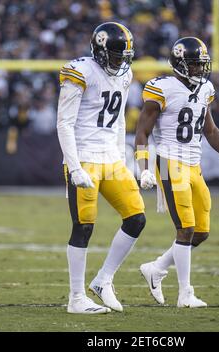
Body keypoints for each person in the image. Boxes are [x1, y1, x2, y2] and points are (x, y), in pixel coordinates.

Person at [135, 37, 219, 308]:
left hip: (193, 165)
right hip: (168, 162)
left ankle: (156, 268)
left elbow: (209, 129)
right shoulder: (161, 88)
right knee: (185, 228)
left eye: (202, 64)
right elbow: (142, 132)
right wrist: (143, 168)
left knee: (201, 231)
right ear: (179, 65)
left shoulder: (206, 88)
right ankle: (185, 293)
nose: (200, 69)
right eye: (195, 64)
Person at [57, 22, 146, 314]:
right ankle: (76, 298)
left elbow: (119, 120)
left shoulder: (125, 73)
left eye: (125, 56)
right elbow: (65, 122)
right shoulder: (81, 71)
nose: (121, 61)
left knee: (136, 219)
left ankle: (103, 280)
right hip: (84, 157)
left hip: (111, 158)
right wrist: (74, 166)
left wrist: (125, 158)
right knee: (84, 226)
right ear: (99, 50)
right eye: (116, 55)